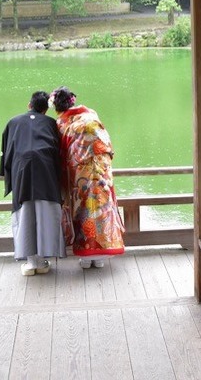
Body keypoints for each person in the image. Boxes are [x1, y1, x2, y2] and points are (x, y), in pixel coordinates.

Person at [51, 86, 125, 268]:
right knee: (102, 207)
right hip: (101, 169)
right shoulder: (91, 115)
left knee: (83, 210)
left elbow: (61, 152)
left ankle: (85, 256)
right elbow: (106, 143)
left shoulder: (62, 123)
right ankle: (101, 256)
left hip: (80, 173)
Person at [0, 91, 65, 276]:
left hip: (22, 171)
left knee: (26, 213)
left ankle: (31, 262)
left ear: (29, 105)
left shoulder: (13, 122)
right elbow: (60, 153)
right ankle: (43, 259)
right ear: (46, 110)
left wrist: (7, 174)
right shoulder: (51, 123)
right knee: (46, 213)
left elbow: (6, 152)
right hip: (46, 170)